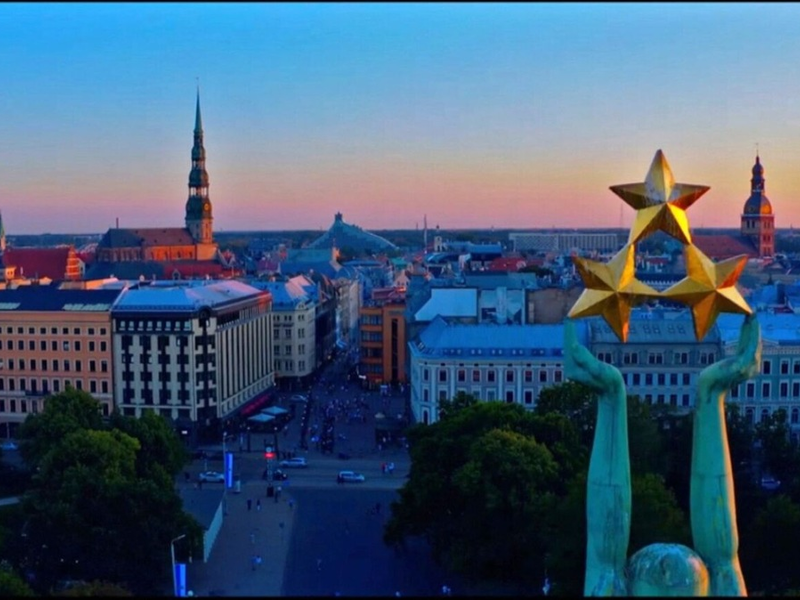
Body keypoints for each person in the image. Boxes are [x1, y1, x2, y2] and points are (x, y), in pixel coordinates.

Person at [564, 315, 760, 596]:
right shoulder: (721, 579)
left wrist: (611, 397)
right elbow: (721, 552)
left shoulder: (610, 581)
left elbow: (604, 548)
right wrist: (711, 393)